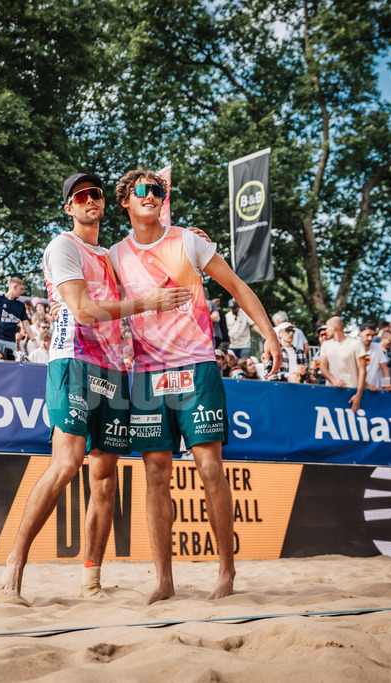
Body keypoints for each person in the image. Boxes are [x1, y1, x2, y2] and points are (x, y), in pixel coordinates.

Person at [0, 171, 191, 607]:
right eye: (80, 196)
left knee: (104, 478)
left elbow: (157, 274)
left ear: (105, 203)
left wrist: (184, 242)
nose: (90, 200)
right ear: (69, 206)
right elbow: (84, 311)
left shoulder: (113, 255)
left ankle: (91, 580)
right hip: (73, 362)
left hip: (114, 368)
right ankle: (14, 567)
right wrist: (145, 304)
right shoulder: (63, 245)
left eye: (96, 194)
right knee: (66, 464)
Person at [110, 167, 280, 604]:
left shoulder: (188, 240)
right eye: (143, 190)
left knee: (209, 468)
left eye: (159, 190)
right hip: (147, 373)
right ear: (125, 201)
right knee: (154, 474)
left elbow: (237, 286)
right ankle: (164, 580)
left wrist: (271, 335)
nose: (153, 195)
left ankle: (226, 571)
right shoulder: (113, 255)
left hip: (196, 364)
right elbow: (92, 300)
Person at [319, 316, 366, 411]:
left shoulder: (355, 344)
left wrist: (359, 395)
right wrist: (334, 381)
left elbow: (363, 371)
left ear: (334, 327)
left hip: (352, 392)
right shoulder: (325, 345)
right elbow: (323, 367)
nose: (326, 331)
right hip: (332, 391)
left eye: (327, 328)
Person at [0, 276, 33, 354]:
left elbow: (26, 323)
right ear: (15, 287)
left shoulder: (20, 305)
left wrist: (33, 340)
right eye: (21, 289)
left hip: (10, 340)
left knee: (9, 364)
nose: (22, 292)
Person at [357, 323, 391, 393]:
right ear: (359, 334)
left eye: (372, 335)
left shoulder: (377, 347)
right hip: (356, 389)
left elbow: (384, 369)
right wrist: (366, 385)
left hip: (374, 390)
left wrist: (387, 384)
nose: (370, 338)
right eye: (367, 335)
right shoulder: (354, 347)